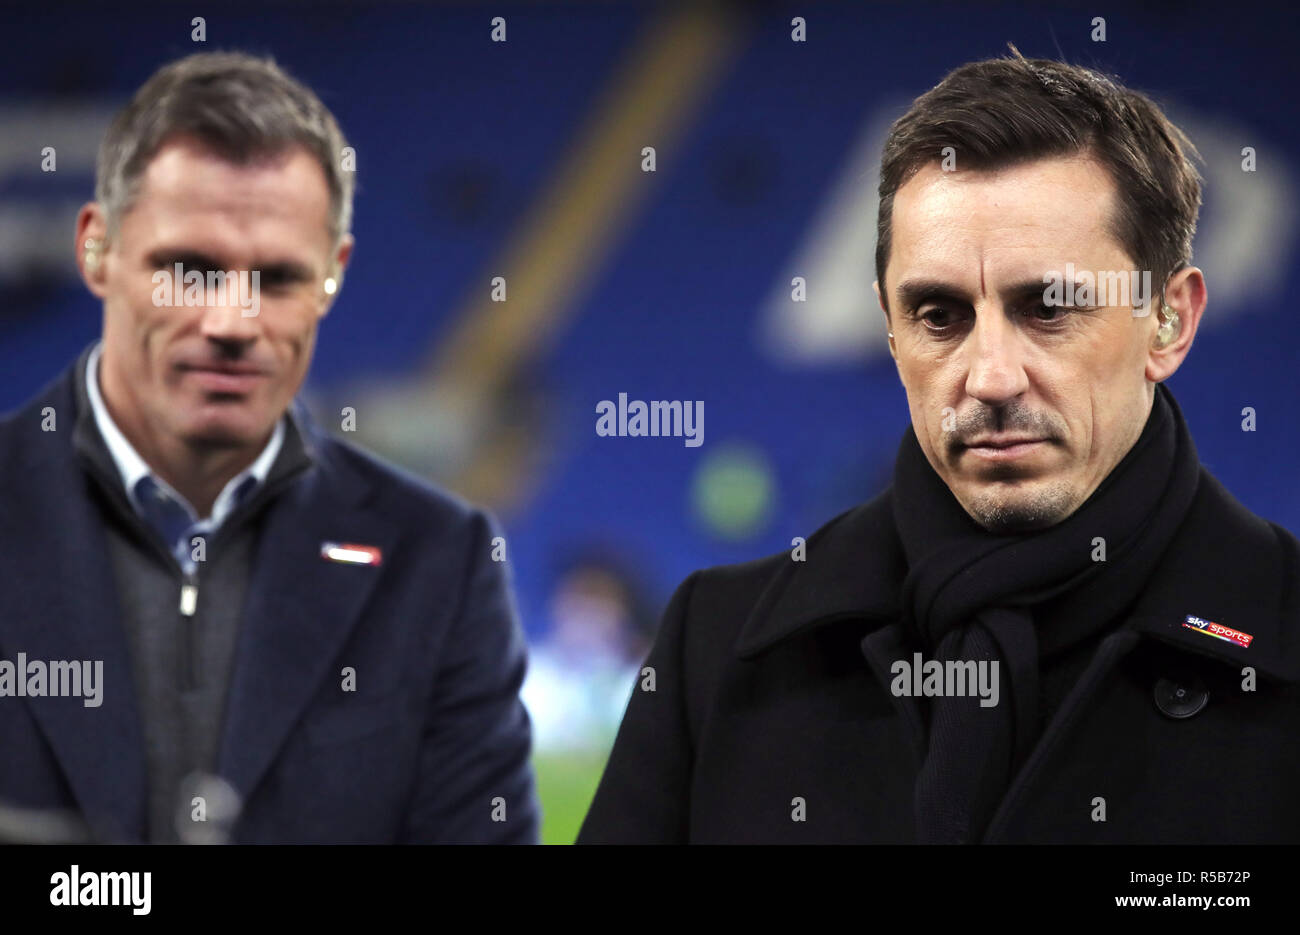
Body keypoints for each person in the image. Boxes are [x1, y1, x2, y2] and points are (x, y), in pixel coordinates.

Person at [578, 52, 1300, 844]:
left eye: (1049, 307)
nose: (990, 377)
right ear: (889, 328)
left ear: (1169, 321)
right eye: (938, 314)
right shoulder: (715, 647)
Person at [0, 51, 538, 843]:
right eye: (190, 269)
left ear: (333, 275)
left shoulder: (441, 565)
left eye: (280, 279)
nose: (233, 322)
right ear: (95, 251)